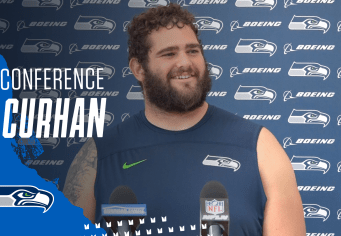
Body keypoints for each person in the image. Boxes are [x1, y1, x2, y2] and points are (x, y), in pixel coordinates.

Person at [63, 3, 306, 235]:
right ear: (138, 69)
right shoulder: (97, 157)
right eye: (169, 53)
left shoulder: (261, 148)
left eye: (192, 51)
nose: (185, 63)